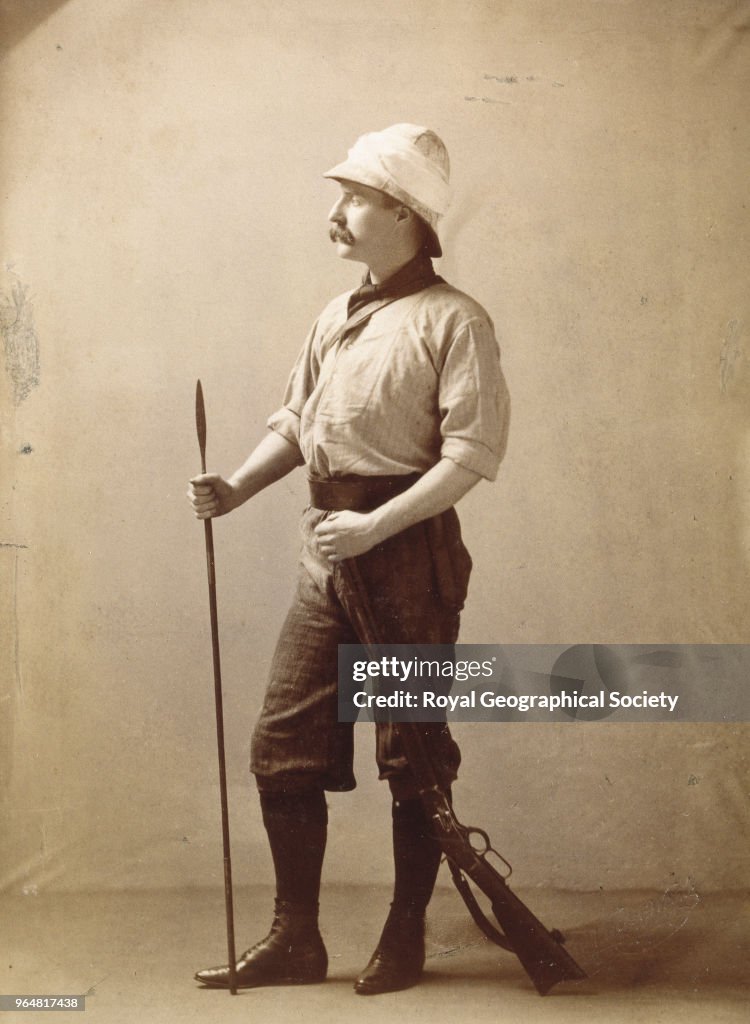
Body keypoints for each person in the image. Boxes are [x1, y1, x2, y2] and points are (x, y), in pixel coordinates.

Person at [188, 123, 511, 996]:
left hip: (408, 563)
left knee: (411, 753)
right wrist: (238, 487)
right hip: (328, 561)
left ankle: (403, 937)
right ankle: (297, 940)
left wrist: (377, 530)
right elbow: (297, 422)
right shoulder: (336, 314)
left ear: (403, 214)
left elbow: (471, 455)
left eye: (355, 198)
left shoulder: (456, 320)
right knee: (283, 746)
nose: (337, 214)